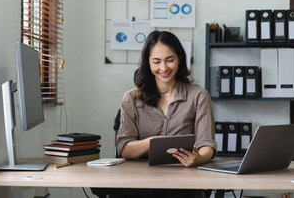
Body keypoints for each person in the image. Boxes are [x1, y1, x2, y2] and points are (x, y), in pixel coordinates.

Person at [92, 30, 216, 198]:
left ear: (179, 59)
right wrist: (153, 142)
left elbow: (206, 143)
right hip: (138, 184)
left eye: (170, 60)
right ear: (148, 63)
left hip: (183, 183)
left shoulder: (198, 95)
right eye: (156, 61)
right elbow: (124, 148)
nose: (163, 68)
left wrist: (198, 158)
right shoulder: (131, 98)